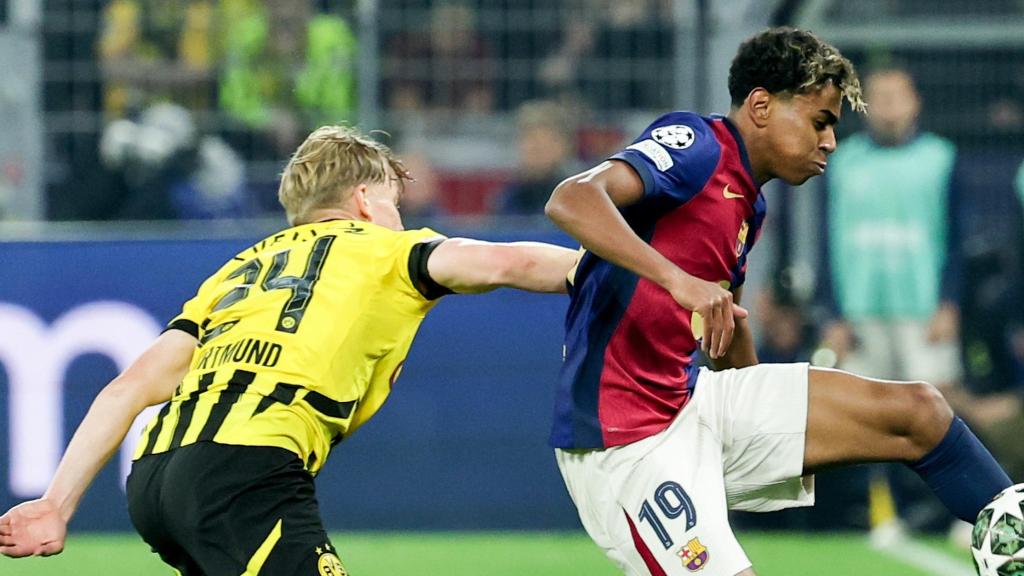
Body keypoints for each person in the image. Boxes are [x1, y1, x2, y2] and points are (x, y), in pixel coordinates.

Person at [0, 125, 577, 574]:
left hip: (154, 479)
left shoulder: (235, 274)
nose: (401, 217)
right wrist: (612, 270)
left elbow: (128, 388)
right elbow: (508, 262)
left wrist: (57, 502)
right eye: (394, 202)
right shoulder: (387, 250)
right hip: (246, 470)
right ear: (364, 199)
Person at [543, 27, 1013, 576]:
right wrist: (677, 280)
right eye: (820, 122)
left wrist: (768, 406)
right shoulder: (696, 145)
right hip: (621, 440)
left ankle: (1017, 539)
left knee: (919, 412)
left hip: (690, 402)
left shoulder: (749, 204)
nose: (831, 143)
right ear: (762, 106)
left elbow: (723, 332)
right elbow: (571, 198)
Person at [816, 66, 965, 535]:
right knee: (870, 420)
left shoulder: (941, 158)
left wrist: (950, 302)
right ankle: (887, 513)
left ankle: (961, 510)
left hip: (922, 308)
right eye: (878, 97)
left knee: (940, 412)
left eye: (896, 96)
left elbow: (957, 237)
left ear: (914, 101)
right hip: (861, 309)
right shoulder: (843, 160)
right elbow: (826, 239)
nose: (888, 105)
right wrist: (832, 312)